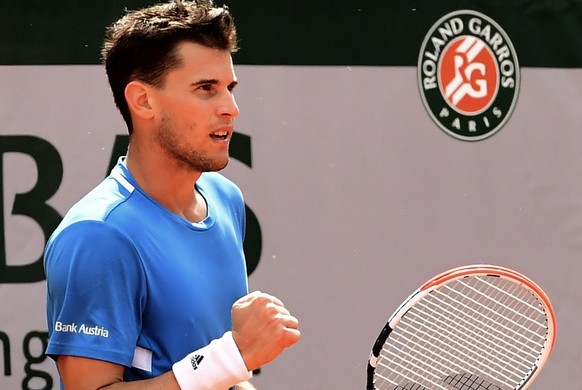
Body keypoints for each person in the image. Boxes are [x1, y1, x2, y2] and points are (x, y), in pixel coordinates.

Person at [43, 1, 301, 389]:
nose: (231, 108)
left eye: (229, 88)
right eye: (205, 89)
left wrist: (235, 370)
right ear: (143, 100)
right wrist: (234, 356)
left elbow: (216, 375)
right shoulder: (97, 236)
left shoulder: (225, 199)